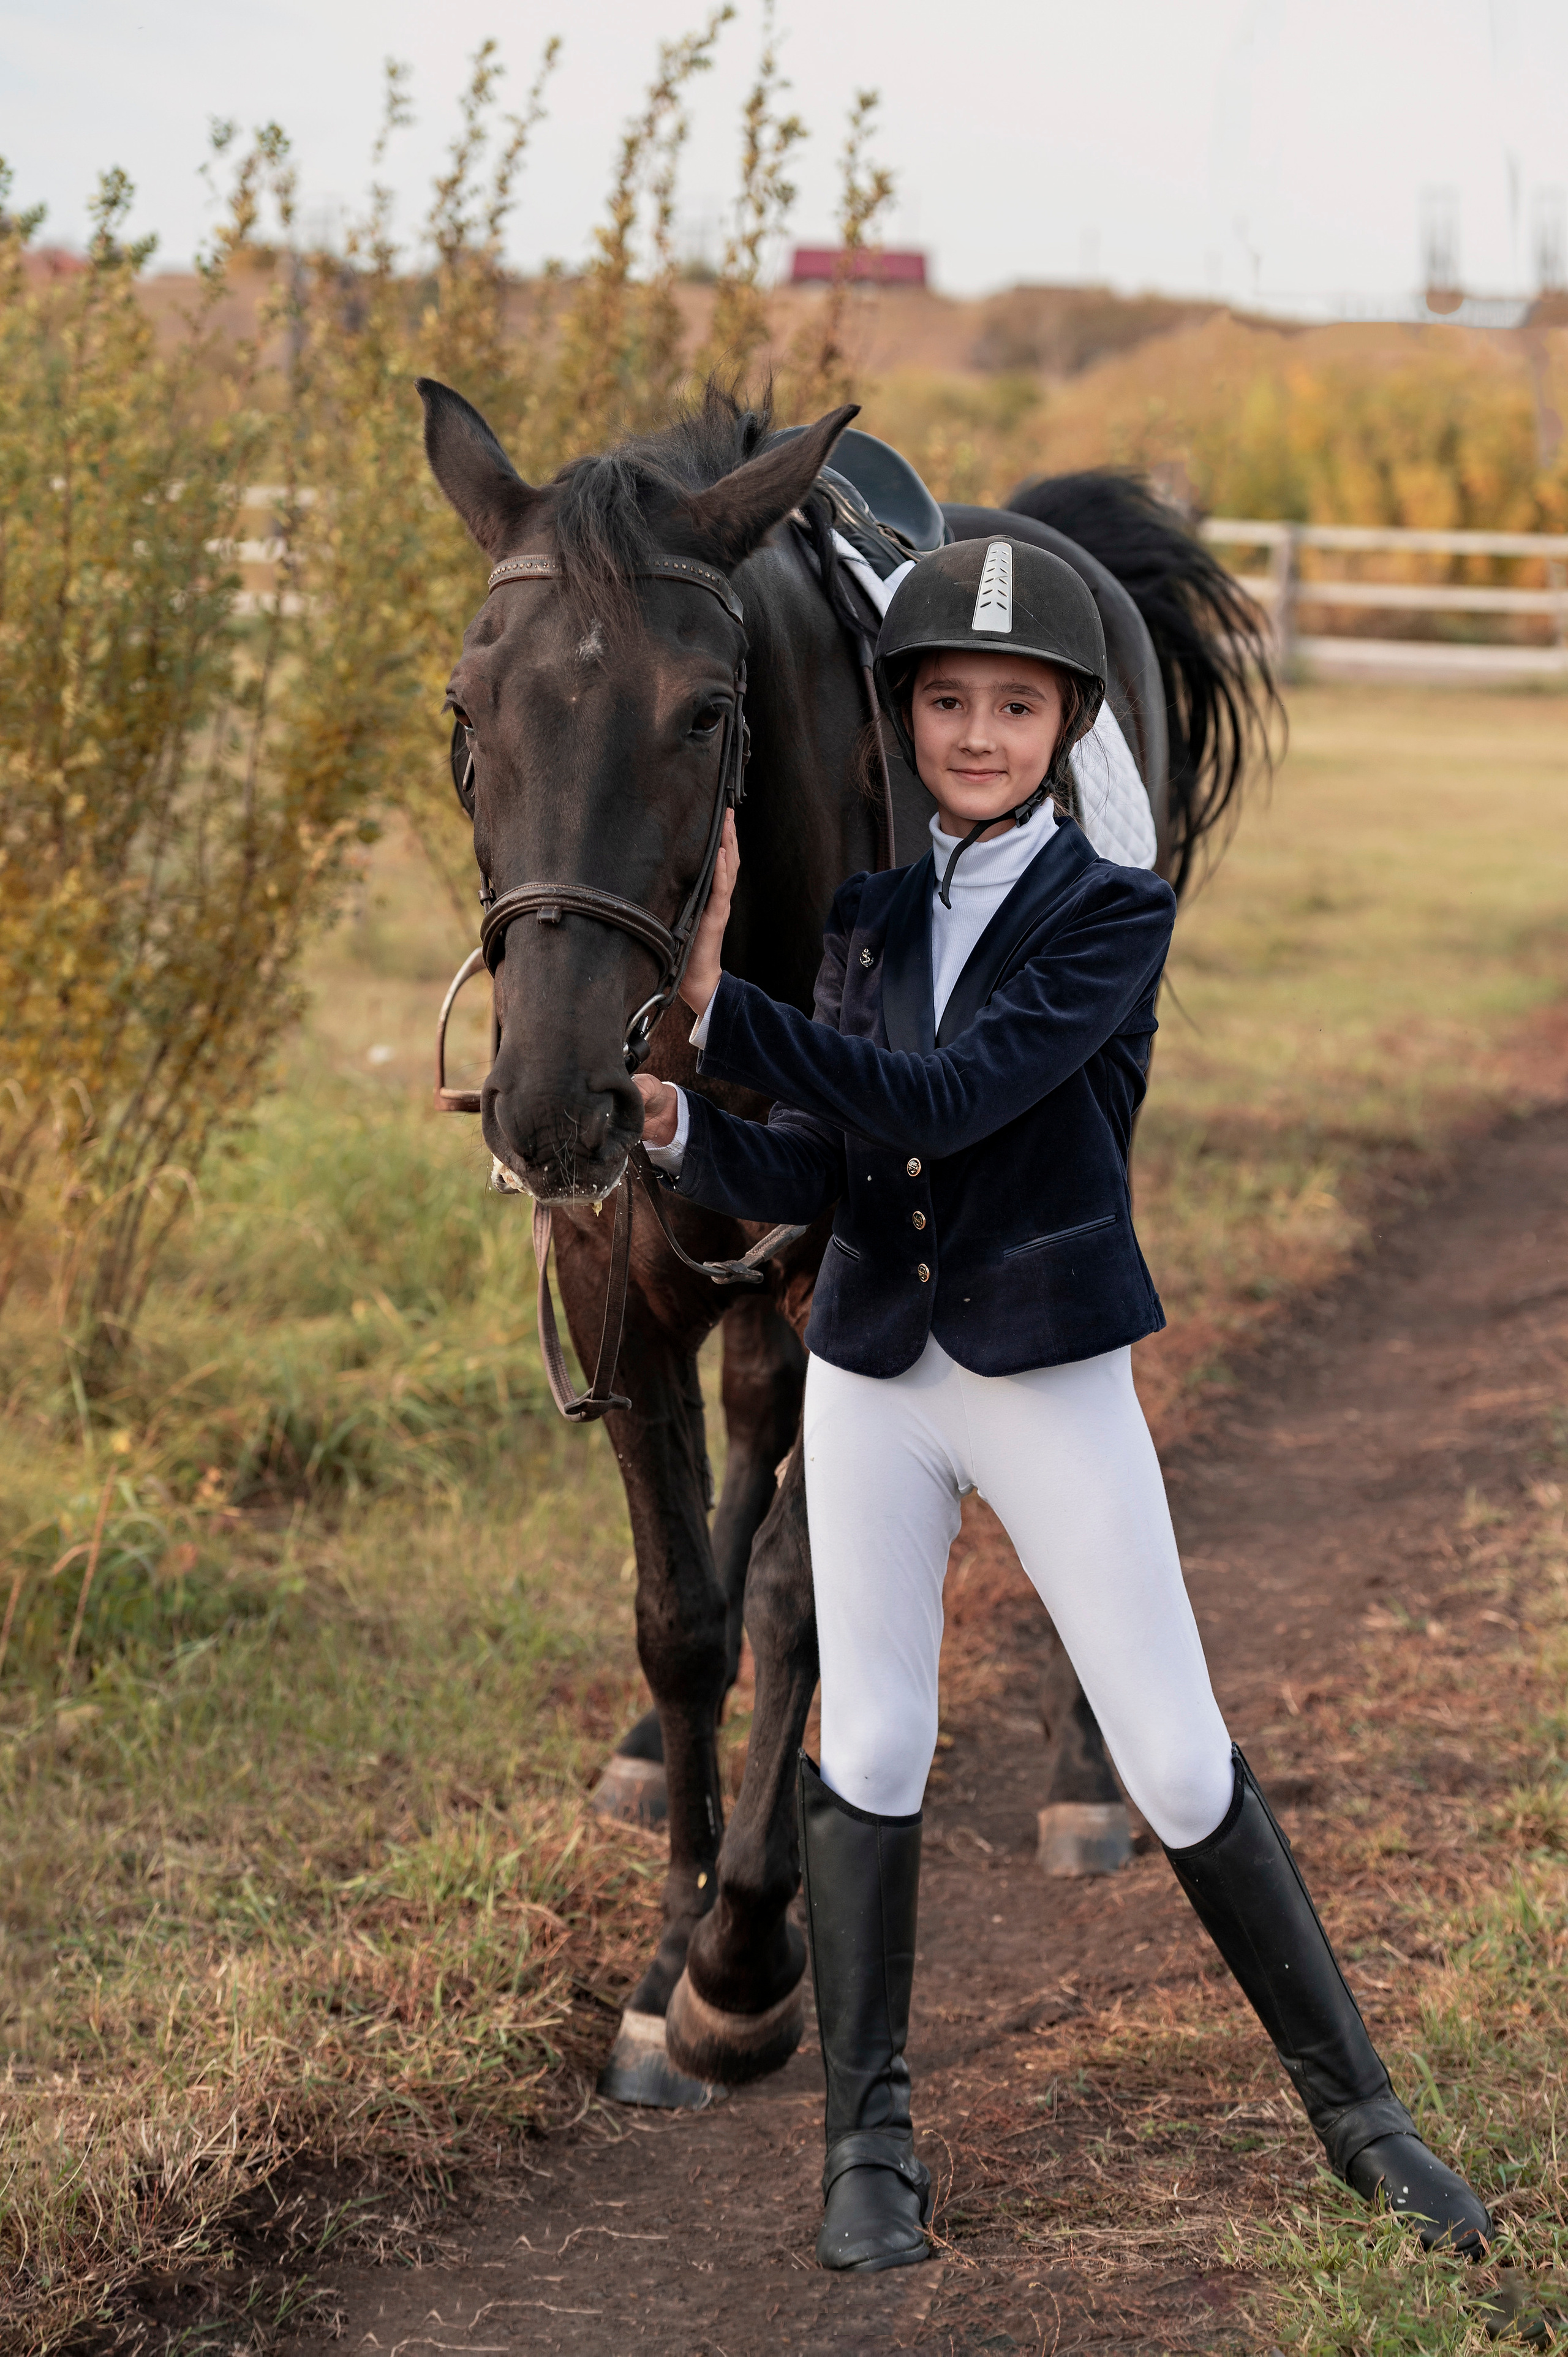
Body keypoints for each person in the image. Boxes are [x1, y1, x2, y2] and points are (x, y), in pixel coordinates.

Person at [635, 537, 1490, 2275]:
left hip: (1045, 1376)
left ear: (1065, 724)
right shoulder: (870, 922)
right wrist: (669, 1123)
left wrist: (729, 1010)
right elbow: (820, 1153)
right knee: (867, 1744)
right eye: (946, 702)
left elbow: (948, 1100)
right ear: (904, 723)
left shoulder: (1113, 911)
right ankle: (868, 2144)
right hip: (876, 1371)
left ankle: (1369, 2124)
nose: (975, 734)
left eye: (1012, 707)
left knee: (1175, 1757)